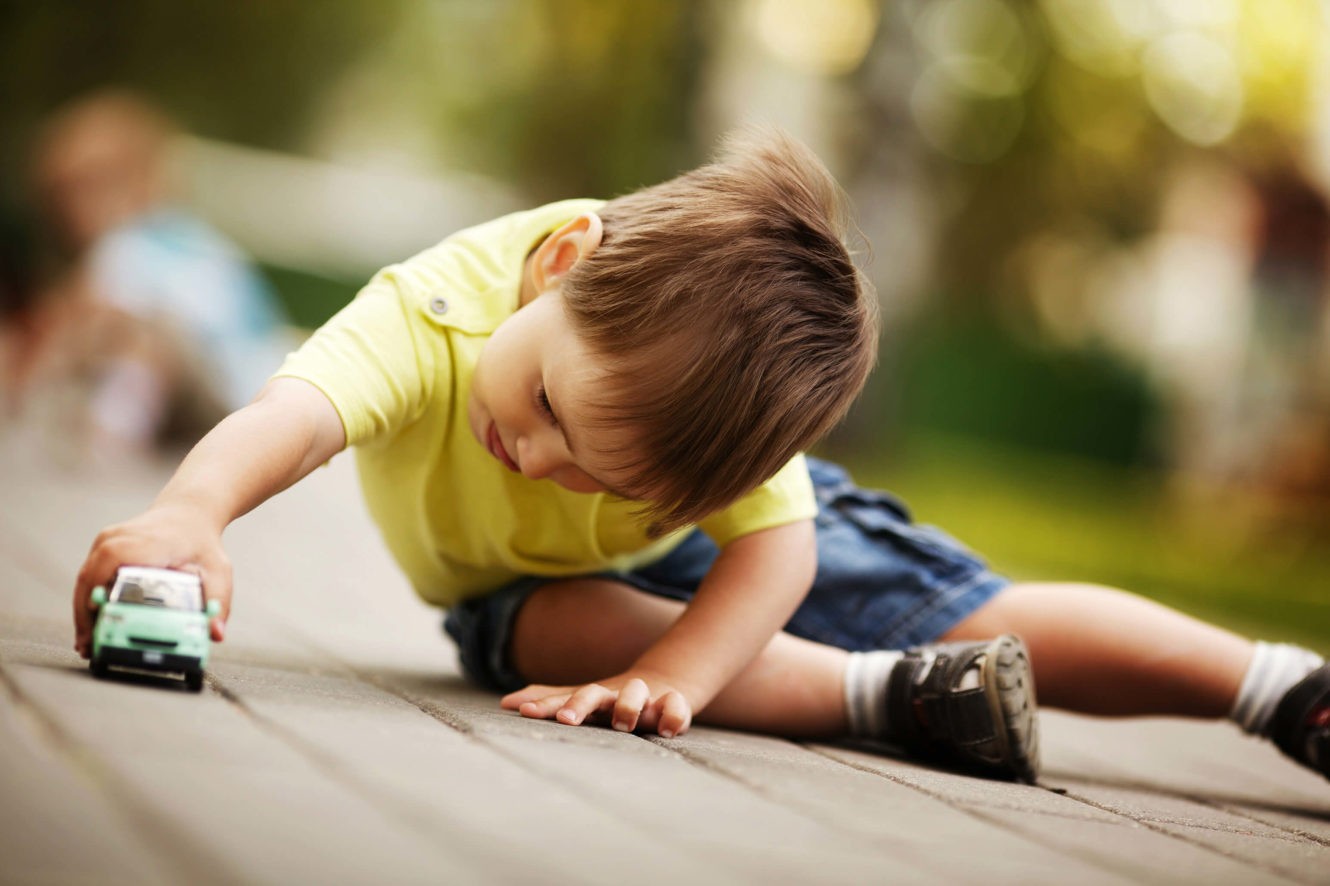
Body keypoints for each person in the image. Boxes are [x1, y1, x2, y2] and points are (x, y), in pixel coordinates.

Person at [72, 130, 1329, 784]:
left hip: (733, 556)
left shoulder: (702, 423)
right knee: (554, 626)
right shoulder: (442, 307)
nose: (546, 465)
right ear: (560, 272)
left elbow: (776, 547)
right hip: (528, 593)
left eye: (600, 473)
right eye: (553, 411)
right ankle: (896, 698)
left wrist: (683, 665)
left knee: (975, 607)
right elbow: (297, 411)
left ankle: (1277, 688)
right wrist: (194, 512)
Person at [9, 90, 291, 455]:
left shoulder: (126, 244)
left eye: (89, 189)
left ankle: (113, 428)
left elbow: (87, 316)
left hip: (226, 390)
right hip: (260, 393)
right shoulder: (185, 237)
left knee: (134, 332)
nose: (72, 211)